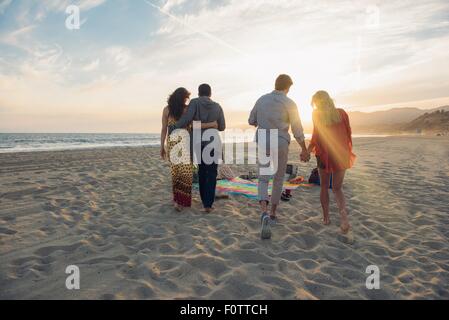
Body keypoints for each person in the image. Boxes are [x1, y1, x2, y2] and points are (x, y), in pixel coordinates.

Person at [249, 74, 310, 239]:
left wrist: (262, 123)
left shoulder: (261, 99)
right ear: (288, 87)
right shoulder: (290, 103)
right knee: (278, 178)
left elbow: (251, 120)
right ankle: (274, 213)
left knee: (263, 178)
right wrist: (304, 149)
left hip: (264, 141)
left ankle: (264, 212)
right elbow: (297, 129)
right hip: (281, 142)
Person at [160, 87, 219, 212]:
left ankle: (177, 200)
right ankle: (182, 201)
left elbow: (164, 129)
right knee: (186, 172)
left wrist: (162, 146)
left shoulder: (166, 110)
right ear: (182, 98)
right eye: (186, 97)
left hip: (172, 143)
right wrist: (212, 124)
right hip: (186, 142)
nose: (187, 99)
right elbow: (195, 125)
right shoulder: (187, 109)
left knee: (176, 171)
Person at [307, 90, 356, 234]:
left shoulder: (316, 114)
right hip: (341, 154)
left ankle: (326, 218)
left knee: (324, 186)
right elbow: (348, 133)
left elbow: (316, 135)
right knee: (337, 188)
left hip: (324, 155)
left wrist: (307, 150)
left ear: (317, 103)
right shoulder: (342, 113)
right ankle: (344, 218)